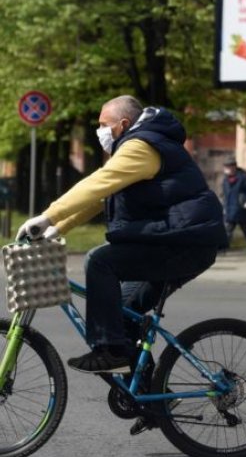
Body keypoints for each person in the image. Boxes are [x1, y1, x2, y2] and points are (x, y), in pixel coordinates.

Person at [17, 96, 227, 375]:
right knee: (121, 313)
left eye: (103, 124)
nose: (99, 131)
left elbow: (96, 185)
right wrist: (57, 229)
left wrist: (47, 216)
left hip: (185, 243)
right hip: (179, 241)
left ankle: (110, 351)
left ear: (123, 124)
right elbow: (102, 197)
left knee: (100, 261)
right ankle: (149, 396)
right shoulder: (141, 145)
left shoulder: (142, 146)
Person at [221, 156, 246, 253]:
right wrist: (224, 207)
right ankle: (223, 248)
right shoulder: (225, 180)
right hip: (229, 209)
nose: (226, 169)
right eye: (226, 167)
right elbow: (225, 194)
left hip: (241, 208)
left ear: (234, 167)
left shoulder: (243, 177)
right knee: (227, 231)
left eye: (228, 166)